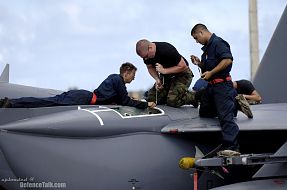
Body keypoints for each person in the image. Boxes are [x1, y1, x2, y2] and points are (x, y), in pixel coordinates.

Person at [0, 62, 156, 109]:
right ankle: (12, 103)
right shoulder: (118, 80)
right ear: (127, 72)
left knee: (50, 101)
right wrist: (145, 104)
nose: (133, 79)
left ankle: (12, 102)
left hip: (83, 96)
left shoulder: (114, 79)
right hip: (84, 97)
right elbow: (125, 101)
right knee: (49, 102)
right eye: (133, 76)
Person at [190, 23, 241, 152]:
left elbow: (227, 60)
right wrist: (199, 63)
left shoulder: (218, 43)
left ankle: (232, 148)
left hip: (222, 86)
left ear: (202, 32)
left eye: (196, 38)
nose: (196, 41)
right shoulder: (206, 49)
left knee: (225, 118)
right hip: (211, 87)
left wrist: (211, 73)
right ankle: (232, 105)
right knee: (204, 112)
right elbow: (208, 69)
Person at [136, 39, 197, 108]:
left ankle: (194, 97)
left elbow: (183, 66)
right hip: (167, 77)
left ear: (150, 48)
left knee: (172, 101)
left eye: (146, 56)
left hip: (182, 75)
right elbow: (150, 67)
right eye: (143, 57)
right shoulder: (146, 56)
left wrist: (164, 70)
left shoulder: (166, 49)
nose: (146, 58)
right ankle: (168, 95)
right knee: (151, 99)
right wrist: (158, 79)